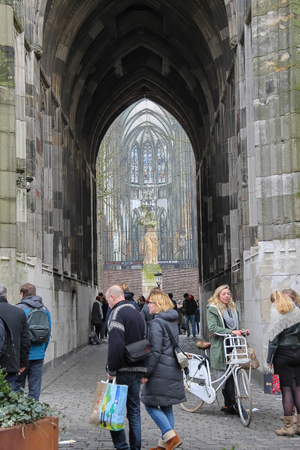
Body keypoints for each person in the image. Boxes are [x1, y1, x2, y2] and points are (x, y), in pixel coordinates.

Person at [141, 291, 185, 450]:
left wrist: (146, 372)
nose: (148, 305)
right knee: (167, 406)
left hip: (160, 370)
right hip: (172, 367)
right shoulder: (171, 319)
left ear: (158, 304)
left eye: (150, 302)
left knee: (149, 403)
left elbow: (155, 351)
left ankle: (171, 436)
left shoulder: (156, 323)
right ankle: (163, 445)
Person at [106, 285, 147, 450]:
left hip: (122, 370)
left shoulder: (117, 313)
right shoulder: (137, 313)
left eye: (108, 299)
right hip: (137, 369)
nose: (108, 303)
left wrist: (111, 370)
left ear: (113, 297)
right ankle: (135, 447)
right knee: (134, 412)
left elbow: (116, 345)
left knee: (113, 411)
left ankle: (122, 446)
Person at [207, 285, 250, 415]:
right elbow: (213, 327)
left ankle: (229, 404)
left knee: (232, 373)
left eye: (228, 294)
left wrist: (242, 331)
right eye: (224, 294)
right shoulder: (213, 309)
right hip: (220, 345)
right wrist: (231, 331)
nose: (226, 296)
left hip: (233, 344)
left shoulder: (232, 308)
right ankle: (232, 403)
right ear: (218, 295)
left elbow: (238, 324)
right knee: (227, 375)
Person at [267, 291, 300, 436]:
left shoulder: (277, 314)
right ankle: (299, 426)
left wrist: (269, 359)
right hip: (298, 351)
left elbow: (273, 340)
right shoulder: (298, 311)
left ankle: (287, 428)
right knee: (298, 389)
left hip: (283, 353)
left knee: (286, 390)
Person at [14, 283, 51, 401]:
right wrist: (42, 350)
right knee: (34, 388)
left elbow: (14, 334)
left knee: (17, 387)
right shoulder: (45, 310)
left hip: (20, 357)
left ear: (22, 294)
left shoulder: (18, 309)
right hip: (38, 355)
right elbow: (48, 334)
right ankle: (32, 413)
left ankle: (18, 415)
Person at [0, 284, 31, 387]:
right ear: (6, 295)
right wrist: (22, 364)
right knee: (8, 398)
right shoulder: (19, 312)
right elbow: (25, 341)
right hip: (10, 363)